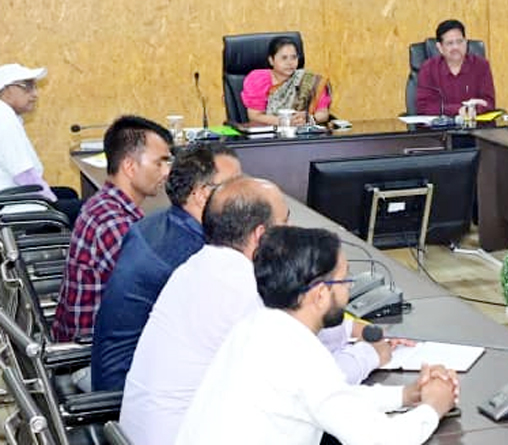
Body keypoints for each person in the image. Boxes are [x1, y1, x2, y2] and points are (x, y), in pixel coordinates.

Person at [120, 177, 391, 444]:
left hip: (145, 432)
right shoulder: (249, 290)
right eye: (285, 223)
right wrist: (370, 355)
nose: (292, 231)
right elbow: (312, 386)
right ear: (262, 236)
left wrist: (352, 328)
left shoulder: (201, 264)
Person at [177, 227, 458, 444]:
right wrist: (434, 406)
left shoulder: (255, 326)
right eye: (345, 280)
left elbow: (334, 399)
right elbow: (383, 440)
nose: (349, 290)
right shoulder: (300, 355)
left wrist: (406, 395)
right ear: (321, 294)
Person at [90, 143, 242, 391]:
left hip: (120, 372)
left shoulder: (155, 223)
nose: (245, 194)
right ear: (202, 194)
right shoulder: (191, 259)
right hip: (131, 389)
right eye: (235, 185)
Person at [52, 115, 172, 342]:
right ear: (130, 166)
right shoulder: (115, 223)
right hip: (94, 351)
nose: (167, 171)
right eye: (159, 163)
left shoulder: (106, 204)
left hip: (95, 338)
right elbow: (160, 295)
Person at [0, 63, 83, 222]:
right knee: (93, 209)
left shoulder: (7, 114)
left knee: (69, 193)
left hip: (13, 196)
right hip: (12, 205)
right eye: (27, 87)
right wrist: (52, 203)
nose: (35, 94)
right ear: (6, 89)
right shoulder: (3, 117)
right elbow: (24, 175)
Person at [241, 36, 331, 126]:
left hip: (302, 132)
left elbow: (323, 113)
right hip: (268, 132)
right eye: (284, 58)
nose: (289, 62)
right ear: (271, 60)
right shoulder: (258, 79)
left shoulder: (309, 81)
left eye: (294, 57)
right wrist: (285, 121)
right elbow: (255, 116)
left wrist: (309, 118)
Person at [415, 19, 495, 116]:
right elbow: (423, 107)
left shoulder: (481, 66)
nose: (456, 47)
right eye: (450, 43)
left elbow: (489, 103)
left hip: (473, 124)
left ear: (466, 42)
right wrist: (459, 109)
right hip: (440, 125)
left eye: (459, 41)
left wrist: (475, 109)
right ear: (440, 47)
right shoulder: (428, 68)